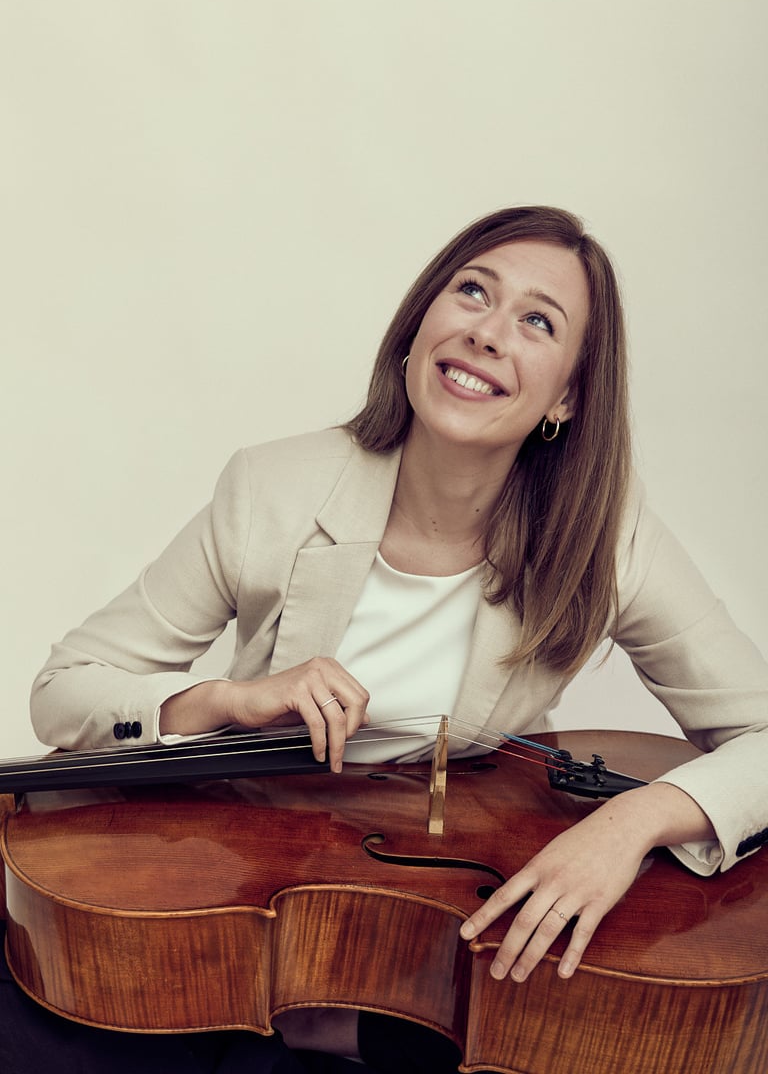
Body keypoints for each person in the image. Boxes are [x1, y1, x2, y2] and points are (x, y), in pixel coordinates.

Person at [7, 206, 768, 1073]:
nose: (487, 332)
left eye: (536, 321)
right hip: (247, 884)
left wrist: (629, 824)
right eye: (472, 292)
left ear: (567, 395)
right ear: (419, 327)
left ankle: (350, 1028)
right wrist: (220, 699)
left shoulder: (608, 536)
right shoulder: (274, 487)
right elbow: (64, 687)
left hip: (433, 916)